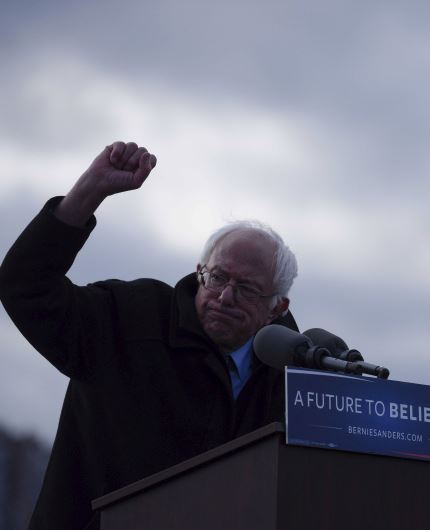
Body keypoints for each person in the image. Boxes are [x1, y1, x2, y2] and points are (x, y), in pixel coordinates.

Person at [0, 141, 298, 529]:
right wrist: (89, 191)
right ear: (200, 271)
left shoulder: (293, 377)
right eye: (218, 277)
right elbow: (25, 286)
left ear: (277, 308)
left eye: (246, 289)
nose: (225, 296)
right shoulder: (127, 319)